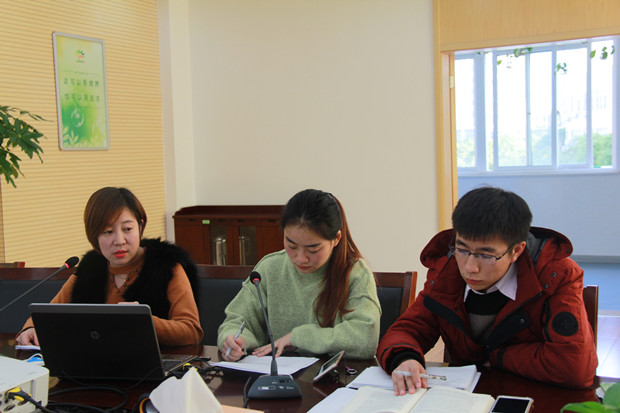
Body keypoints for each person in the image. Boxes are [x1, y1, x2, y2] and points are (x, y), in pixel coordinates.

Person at [378, 186, 598, 394]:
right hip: (463, 397)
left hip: (534, 396)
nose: (470, 267)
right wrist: (404, 358)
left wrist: (495, 356)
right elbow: (407, 330)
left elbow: (574, 366)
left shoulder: (555, 274)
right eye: (462, 249)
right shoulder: (447, 270)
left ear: (516, 251)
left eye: (486, 255)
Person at [16, 187, 203, 347]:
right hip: (93, 366)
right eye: (107, 232)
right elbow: (47, 315)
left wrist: (145, 321)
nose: (119, 240)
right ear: (94, 236)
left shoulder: (165, 266)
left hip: (150, 368)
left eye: (127, 229)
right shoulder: (90, 269)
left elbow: (192, 331)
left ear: (140, 226)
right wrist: (30, 328)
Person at [218, 189, 381, 360]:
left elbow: (365, 339)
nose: (301, 258)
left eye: (313, 249)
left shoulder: (355, 274)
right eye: (292, 246)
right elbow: (237, 319)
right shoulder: (270, 268)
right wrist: (235, 339)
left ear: (336, 239)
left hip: (334, 375)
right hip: (277, 372)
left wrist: (299, 338)